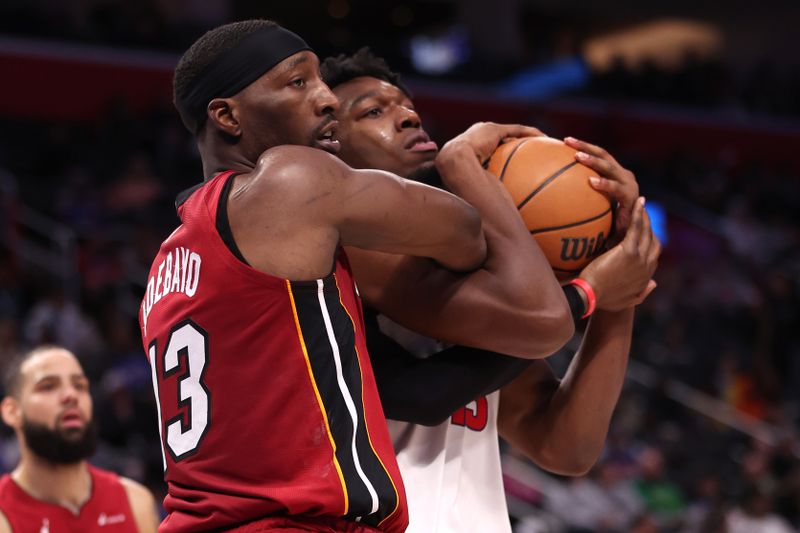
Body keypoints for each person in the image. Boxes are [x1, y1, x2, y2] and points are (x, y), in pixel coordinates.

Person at [140, 19, 569, 533]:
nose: (325, 101)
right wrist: (461, 162)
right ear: (227, 115)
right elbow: (466, 230)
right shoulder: (290, 180)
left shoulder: (166, 266)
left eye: (320, 80)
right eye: (298, 82)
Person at [321, 48, 660, 532]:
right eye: (373, 111)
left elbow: (565, 447)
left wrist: (619, 277)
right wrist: (593, 289)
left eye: (404, 104)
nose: (406, 116)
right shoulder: (337, 264)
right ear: (328, 149)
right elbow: (428, 393)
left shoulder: (475, 283)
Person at [0, 345, 159, 533]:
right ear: (12, 411)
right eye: (48, 386)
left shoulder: (136, 501)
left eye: (80, 386)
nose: (71, 395)